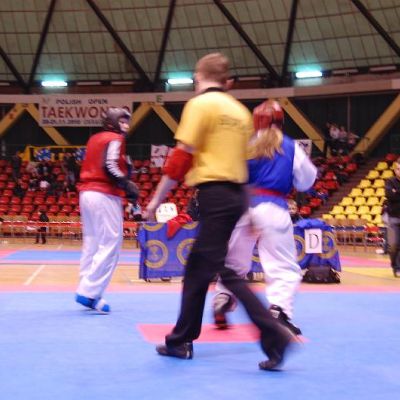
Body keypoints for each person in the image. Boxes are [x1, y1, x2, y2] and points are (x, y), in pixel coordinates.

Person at [144, 53, 294, 371]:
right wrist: (248, 210)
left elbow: (181, 157)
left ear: (198, 77)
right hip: (237, 195)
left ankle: (272, 333)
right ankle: (180, 339)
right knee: (199, 269)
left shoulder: (199, 105)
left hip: (213, 194)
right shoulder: (240, 112)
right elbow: (245, 166)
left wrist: (157, 199)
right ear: (228, 81)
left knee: (221, 269)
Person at [212, 100, 317, 337]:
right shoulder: (290, 145)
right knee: (282, 266)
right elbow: (307, 180)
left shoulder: (244, 144)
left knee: (234, 261)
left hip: (241, 207)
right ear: (281, 121)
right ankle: (279, 311)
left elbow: (230, 177)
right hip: (273, 208)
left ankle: (223, 297)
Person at [75, 107, 139, 313]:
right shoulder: (115, 138)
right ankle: (89, 292)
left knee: (92, 242)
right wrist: (127, 184)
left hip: (87, 193)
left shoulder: (94, 139)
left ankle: (87, 287)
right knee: (111, 241)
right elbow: (109, 165)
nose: (126, 125)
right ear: (112, 122)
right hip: (104, 193)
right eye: (122, 121)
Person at [384, 158, 400, 277]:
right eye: (398, 169)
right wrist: (394, 193)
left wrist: (396, 192)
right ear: (395, 170)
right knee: (394, 245)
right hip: (393, 217)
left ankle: (398, 268)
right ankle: (395, 265)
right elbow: (390, 195)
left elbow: (395, 195)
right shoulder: (390, 181)